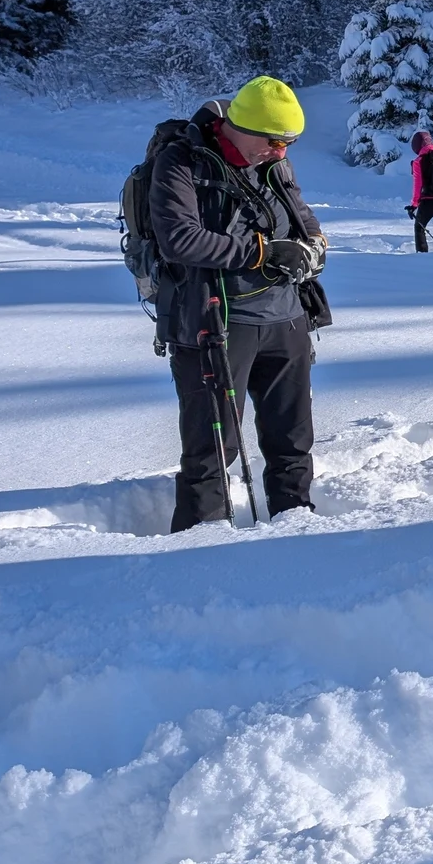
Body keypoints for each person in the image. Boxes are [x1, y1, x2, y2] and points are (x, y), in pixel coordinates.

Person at [148, 76, 329, 531]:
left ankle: (298, 529)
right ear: (240, 126)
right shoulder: (182, 163)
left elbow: (304, 220)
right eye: (273, 141)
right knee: (213, 448)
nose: (281, 151)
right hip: (215, 323)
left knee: (292, 438)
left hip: (286, 318)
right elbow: (179, 240)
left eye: (289, 143)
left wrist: (313, 249)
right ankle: (199, 544)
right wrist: (265, 252)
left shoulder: (275, 167)